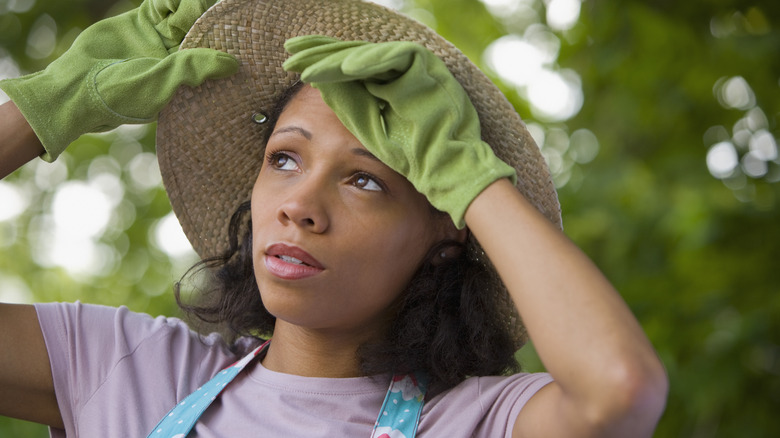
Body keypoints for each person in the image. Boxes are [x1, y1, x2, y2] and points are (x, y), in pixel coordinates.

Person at [0, 0, 669, 436]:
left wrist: (469, 179)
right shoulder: (128, 370)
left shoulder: (476, 421)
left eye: (364, 180)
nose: (300, 206)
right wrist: (41, 113)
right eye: (285, 160)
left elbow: (620, 389)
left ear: (445, 233)